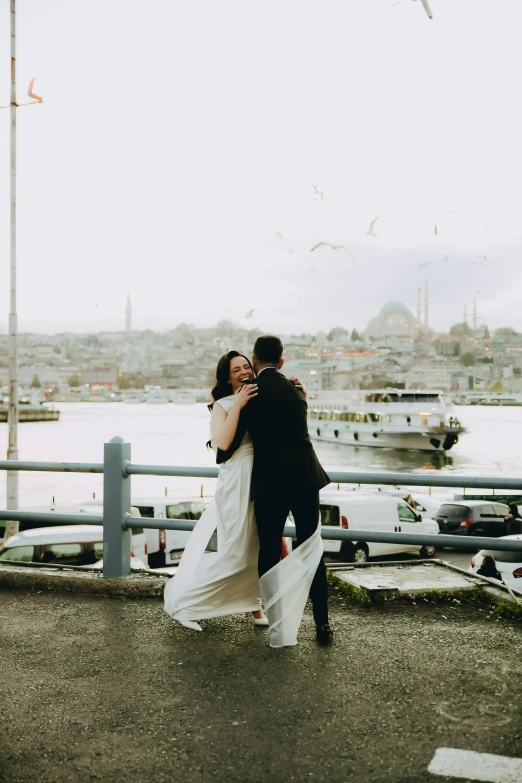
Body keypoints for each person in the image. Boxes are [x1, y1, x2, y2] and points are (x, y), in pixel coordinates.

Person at [217, 335, 332, 647]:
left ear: (254, 360)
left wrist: (237, 406)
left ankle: (279, 625)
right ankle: (322, 625)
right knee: (312, 548)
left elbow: (225, 451)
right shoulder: (297, 391)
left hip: (271, 483)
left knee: (269, 551)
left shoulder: (251, 392)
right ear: (283, 362)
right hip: (307, 478)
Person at [163, 351, 268, 630]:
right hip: (237, 478)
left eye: (247, 366)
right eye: (236, 370)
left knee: (255, 547)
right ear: (227, 377)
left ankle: (255, 607)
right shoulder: (224, 404)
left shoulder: (261, 396)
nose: (244, 371)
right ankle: (189, 606)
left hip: (261, 477)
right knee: (235, 548)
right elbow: (222, 443)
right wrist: (238, 405)